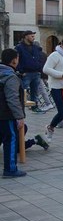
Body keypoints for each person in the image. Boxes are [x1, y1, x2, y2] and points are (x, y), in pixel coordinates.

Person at [0, 48, 28, 177]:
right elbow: (12, 99)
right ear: (14, 60)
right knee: (11, 139)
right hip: (6, 114)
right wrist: (19, 117)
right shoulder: (10, 76)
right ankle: (10, 169)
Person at [15, 30, 51, 113]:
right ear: (26, 36)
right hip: (25, 73)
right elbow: (16, 59)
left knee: (34, 92)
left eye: (33, 36)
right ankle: (20, 108)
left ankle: (34, 107)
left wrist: (39, 68)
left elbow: (39, 58)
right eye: (31, 36)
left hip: (36, 73)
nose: (33, 38)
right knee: (22, 92)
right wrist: (20, 71)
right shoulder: (19, 47)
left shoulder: (35, 47)